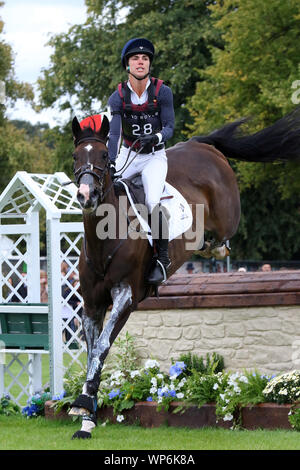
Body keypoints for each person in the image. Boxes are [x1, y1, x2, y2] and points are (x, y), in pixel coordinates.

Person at [107, 38, 175, 286]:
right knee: (110, 192)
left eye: (145, 59)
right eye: (135, 58)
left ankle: (162, 259)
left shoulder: (162, 91)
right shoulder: (118, 97)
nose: (140, 62)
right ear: (128, 65)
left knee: (152, 201)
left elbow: (169, 127)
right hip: (128, 154)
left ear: (149, 65)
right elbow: (114, 134)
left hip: (153, 157)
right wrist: (112, 162)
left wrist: (155, 137)